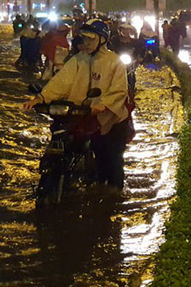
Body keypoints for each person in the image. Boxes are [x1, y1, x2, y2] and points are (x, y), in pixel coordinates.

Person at [22, 19, 131, 192]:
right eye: (84, 39)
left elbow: (118, 92)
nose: (86, 44)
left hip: (110, 119)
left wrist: (102, 106)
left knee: (111, 161)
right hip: (83, 115)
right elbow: (61, 82)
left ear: (102, 40)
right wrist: (40, 98)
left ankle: (113, 194)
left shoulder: (114, 62)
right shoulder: (78, 60)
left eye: (90, 40)